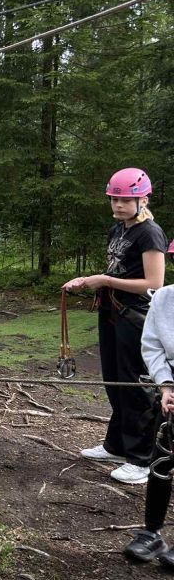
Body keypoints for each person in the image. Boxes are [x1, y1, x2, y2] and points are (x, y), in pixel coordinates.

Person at [64, 168, 167, 485]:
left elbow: (154, 283)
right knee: (114, 379)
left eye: (125, 200)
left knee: (135, 383)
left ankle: (142, 460)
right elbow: (119, 271)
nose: (119, 205)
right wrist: (88, 281)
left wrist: (105, 280)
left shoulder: (150, 233)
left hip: (137, 316)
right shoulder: (118, 230)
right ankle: (117, 445)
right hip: (113, 312)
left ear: (142, 200)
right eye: (114, 199)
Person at [123, 240, 174, 565]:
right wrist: (166, 386)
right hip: (171, 392)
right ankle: (151, 532)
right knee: (162, 462)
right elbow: (152, 345)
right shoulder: (164, 298)